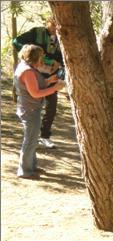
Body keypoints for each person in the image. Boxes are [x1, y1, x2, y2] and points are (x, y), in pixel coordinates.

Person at [14, 44, 65, 179]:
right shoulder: (28, 71)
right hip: (29, 110)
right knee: (30, 140)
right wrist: (55, 88)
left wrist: (49, 81)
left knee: (32, 139)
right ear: (34, 57)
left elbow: (34, 86)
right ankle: (25, 171)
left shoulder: (26, 67)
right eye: (41, 56)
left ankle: (31, 167)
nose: (43, 59)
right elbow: (35, 93)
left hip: (29, 109)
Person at [13, 17, 63, 149]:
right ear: (48, 23)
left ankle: (45, 136)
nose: (55, 29)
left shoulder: (63, 37)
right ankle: (30, 135)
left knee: (51, 106)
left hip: (50, 76)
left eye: (57, 26)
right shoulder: (36, 32)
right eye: (53, 25)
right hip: (34, 74)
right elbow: (16, 42)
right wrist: (31, 55)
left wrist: (59, 63)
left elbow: (64, 56)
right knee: (33, 102)